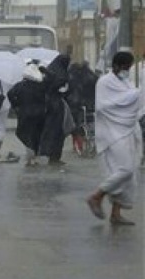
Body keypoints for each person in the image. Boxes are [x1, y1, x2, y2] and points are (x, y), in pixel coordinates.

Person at [86, 51, 142, 226]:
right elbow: (104, 106)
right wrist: (135, 96)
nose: (127, 70)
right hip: (111, 132)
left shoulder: (126, 82)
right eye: (125, 67)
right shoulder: (104, 82)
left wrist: (135, 97)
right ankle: (96, 196)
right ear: (116, 66)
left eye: (129, 67)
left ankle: (115, 214)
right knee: (124, 170)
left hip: (128, 131)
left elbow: (133, 101)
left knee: (129, 173)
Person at [8, 60, 49, 166]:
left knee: (24, 133)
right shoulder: (41, 86)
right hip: (40, 114)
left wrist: (15, 105)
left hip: (25, 114)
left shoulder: (21, 85)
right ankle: (34, 155)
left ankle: (30, 154)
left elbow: (10, 93)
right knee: (37, 134)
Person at [40, 54, 73, 165]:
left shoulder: (52, 70)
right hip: (56, 106)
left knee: (54, 131)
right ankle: (53, 157)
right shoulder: (59, 74)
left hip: (51, 105)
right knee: (57, 132)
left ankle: (52, 156)